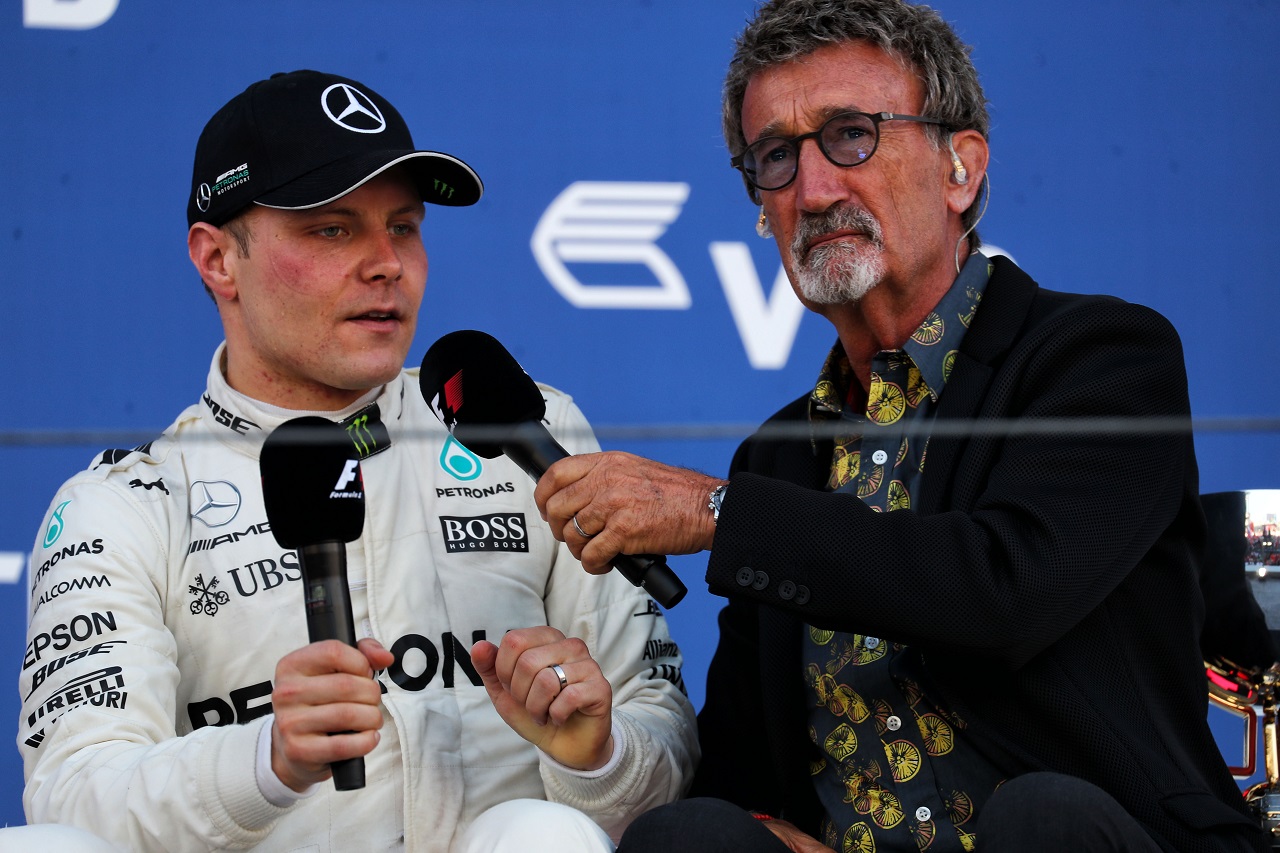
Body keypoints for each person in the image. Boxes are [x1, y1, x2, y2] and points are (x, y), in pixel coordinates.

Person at [530, 2, 1269, 851]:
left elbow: (1008, 592)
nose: (813, 191)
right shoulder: (778, 457)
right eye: (777, 157)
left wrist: (718, 513)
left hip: (1071, 838)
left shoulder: (1102, 358)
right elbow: (740, 769)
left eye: (851, 135)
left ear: (961, 169)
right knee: (690, 835)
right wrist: (607, 751)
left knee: (1043, 819)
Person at [18, 69, 696, 852]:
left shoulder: (526, 430)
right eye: (333, 230)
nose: (387, 263)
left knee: (541, 832)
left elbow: (665, 747)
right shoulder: (125, 502)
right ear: (218, 259)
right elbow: (73, 797)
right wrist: (265, 759)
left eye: (403, 227)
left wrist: (598, 759)